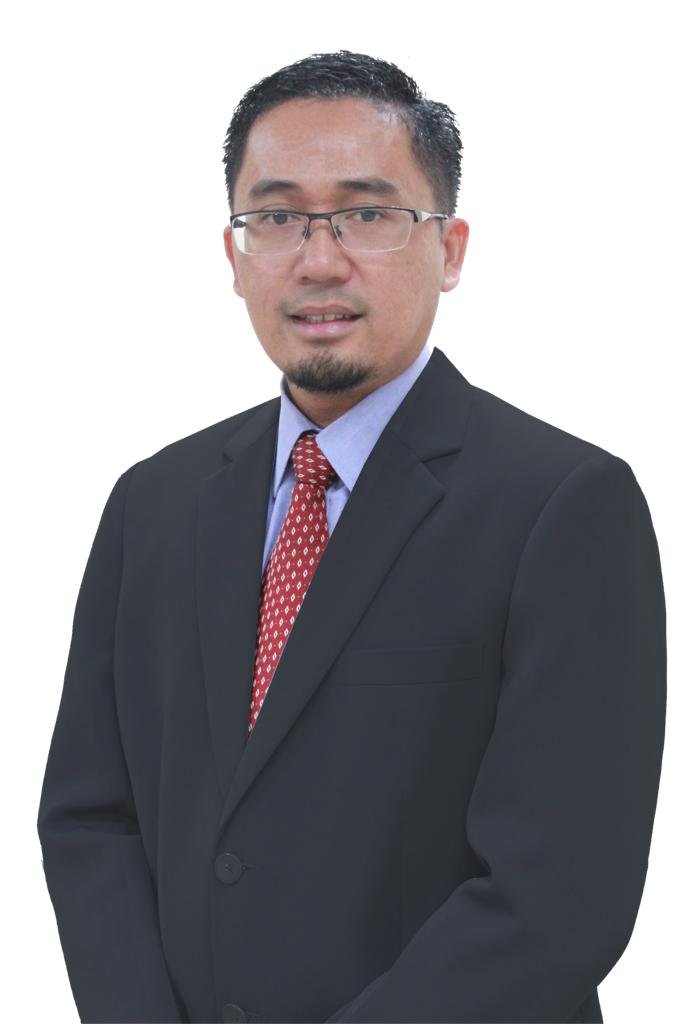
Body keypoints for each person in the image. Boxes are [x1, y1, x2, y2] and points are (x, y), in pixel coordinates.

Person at [37, 50, 666, 1024]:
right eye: (277, 217)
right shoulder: (153, 502)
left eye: (368, 214)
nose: (318, 259)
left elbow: (557, 897)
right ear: (234, 255)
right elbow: (91, 817)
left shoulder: (564, 505)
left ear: (449, 248)